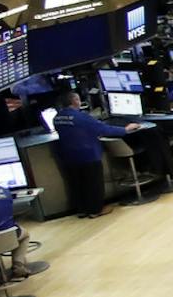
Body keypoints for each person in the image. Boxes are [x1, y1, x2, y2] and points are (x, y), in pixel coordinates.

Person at [49, 86, 143, 218]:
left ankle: (82, 210)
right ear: (75, 101)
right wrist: (126, 129)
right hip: (88, 155)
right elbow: (104, 129)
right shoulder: (81, 117)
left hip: (69, 156)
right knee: (93, 184)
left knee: (77, 184)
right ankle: (95, 210)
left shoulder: (57, 118)